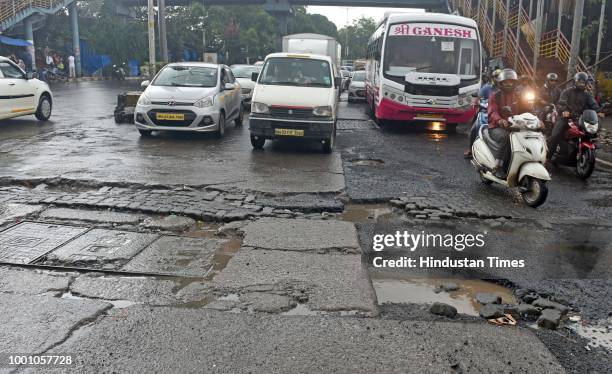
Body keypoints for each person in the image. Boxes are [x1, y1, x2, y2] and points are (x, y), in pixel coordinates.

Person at [547, 72, 602, 162]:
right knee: (556, 135)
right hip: (565, 118)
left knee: (590, 132)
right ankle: (547, 157)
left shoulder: (587, 95)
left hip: (580, 118)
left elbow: (593, 104)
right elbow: (561, 103)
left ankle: (580, 149)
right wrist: (564, 111)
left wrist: (599, 111)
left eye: (584, 82)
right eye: (580, 82)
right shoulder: (567, 91)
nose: (582, 84)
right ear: (575, 82)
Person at [487, 69, 527, 178]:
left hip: (515, 126)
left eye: (511, 82)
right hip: (496, 127)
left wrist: (538, 119)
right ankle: (497, 167)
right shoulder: (495, 96)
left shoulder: (519, 96)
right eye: (506, 82)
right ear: (501, 83)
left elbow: (527, 110)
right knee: (506, 138)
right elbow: (492, 111)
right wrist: (500, 120)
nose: (509, 84)